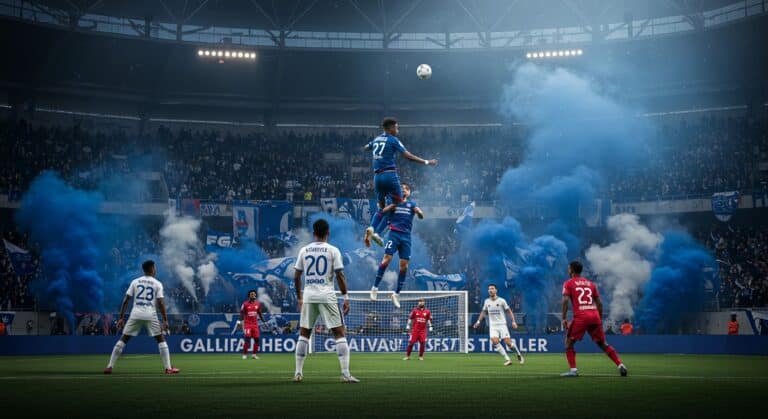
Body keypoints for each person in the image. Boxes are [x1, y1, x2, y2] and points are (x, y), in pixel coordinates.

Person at [292, 219, 358, 383]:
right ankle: (345, 374)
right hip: (327, 295)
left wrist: (299, 297)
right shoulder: (333, 250)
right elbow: (340, 275)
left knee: (304, 333)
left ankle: (298, 373)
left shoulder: (304, 250)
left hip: (309, 296)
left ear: (313, 233)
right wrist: (346, 297)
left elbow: (297, 276)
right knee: (339, 333)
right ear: (328, 232)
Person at [363, 117, 437, 248]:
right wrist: (426, 162)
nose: (398, 130)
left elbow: (365, 148)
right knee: (397, 204)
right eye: (397, 128)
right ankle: (378, 233)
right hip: (390, 175)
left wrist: (375, 150)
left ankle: (372, 228)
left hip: (377, 177)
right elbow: (408, 156)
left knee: (382, 208)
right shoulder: (393, 140)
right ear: (390, 128)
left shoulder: (376, 139)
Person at [104, 260, 179, 375]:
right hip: (150, 314)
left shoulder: (135, 282)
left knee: (124, 339)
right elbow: (160, 303)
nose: (155, 270)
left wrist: (121, 318)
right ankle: (168, 368)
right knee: (160, 339)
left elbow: (126, 300)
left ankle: (109, 367)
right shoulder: (157, 283)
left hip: (136, 314)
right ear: (152, 269)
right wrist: (165, 320)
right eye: (155, 267)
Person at [560, 261, 626, 377]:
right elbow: (599, 304)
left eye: (568, 268)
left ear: (571, 270)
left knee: (568, 343)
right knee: (603, 343)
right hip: (594, 315)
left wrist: (564, 318)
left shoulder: (568, 283)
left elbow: (565, 300)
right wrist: (599, 319)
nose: (568, 270)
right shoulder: (591, 284)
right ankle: (620, 365)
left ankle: (573, 370)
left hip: (581, 317)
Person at [369, 182, 423, 308]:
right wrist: (392, 206)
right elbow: (382, 212)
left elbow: (421, 216)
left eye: (406, 189)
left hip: (406, 237)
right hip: (394, 234)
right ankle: (375, 288)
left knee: (404, 266)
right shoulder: (393, 201)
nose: (404, 190)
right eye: (402, 188)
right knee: (386, 259)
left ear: (409, 193)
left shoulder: (412, 204)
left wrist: (419, 212)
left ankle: (396, 294)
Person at [473, 284, 524, 366]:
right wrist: (478, 321)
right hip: (493, 326)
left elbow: (509, 311)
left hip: (502, 325)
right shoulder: (486, 301)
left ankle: (518, 354)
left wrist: (513, 321)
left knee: (508, 343)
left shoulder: (501, 301)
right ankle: (507, 359)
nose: (490, 290)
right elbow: (483, 312)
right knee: (494, 341)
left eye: (492, 288)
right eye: (489, 289)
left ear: (496, 290)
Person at [236, 289, 267, 359]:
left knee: (257, 339)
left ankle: (254, 355)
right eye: (252, 294)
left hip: (255, 325)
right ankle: (244, 354)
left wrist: (264, 322)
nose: (254, 295)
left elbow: (260, 313)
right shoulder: (245, 304)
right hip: (247, 325)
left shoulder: (257, 304)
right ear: (249, 296)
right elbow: (241, 314)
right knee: (247, 339)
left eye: (254, 294)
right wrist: (239, 322)